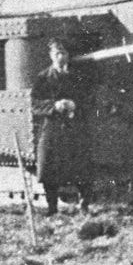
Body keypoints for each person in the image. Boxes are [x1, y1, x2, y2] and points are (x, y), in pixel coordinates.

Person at [32, 38, 94, 215]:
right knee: (48, 167)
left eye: (64, 53)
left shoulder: (78, 76)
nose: (60, 57)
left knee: (82, 167)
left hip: (75, 126)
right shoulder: (43, 77)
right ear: (51, 56)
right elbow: (35, 104)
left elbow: (89, 99)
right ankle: (52, 208)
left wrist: (75, 105)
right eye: (57, 53)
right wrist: (54, 106)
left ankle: (84, 205)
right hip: (52, 127)